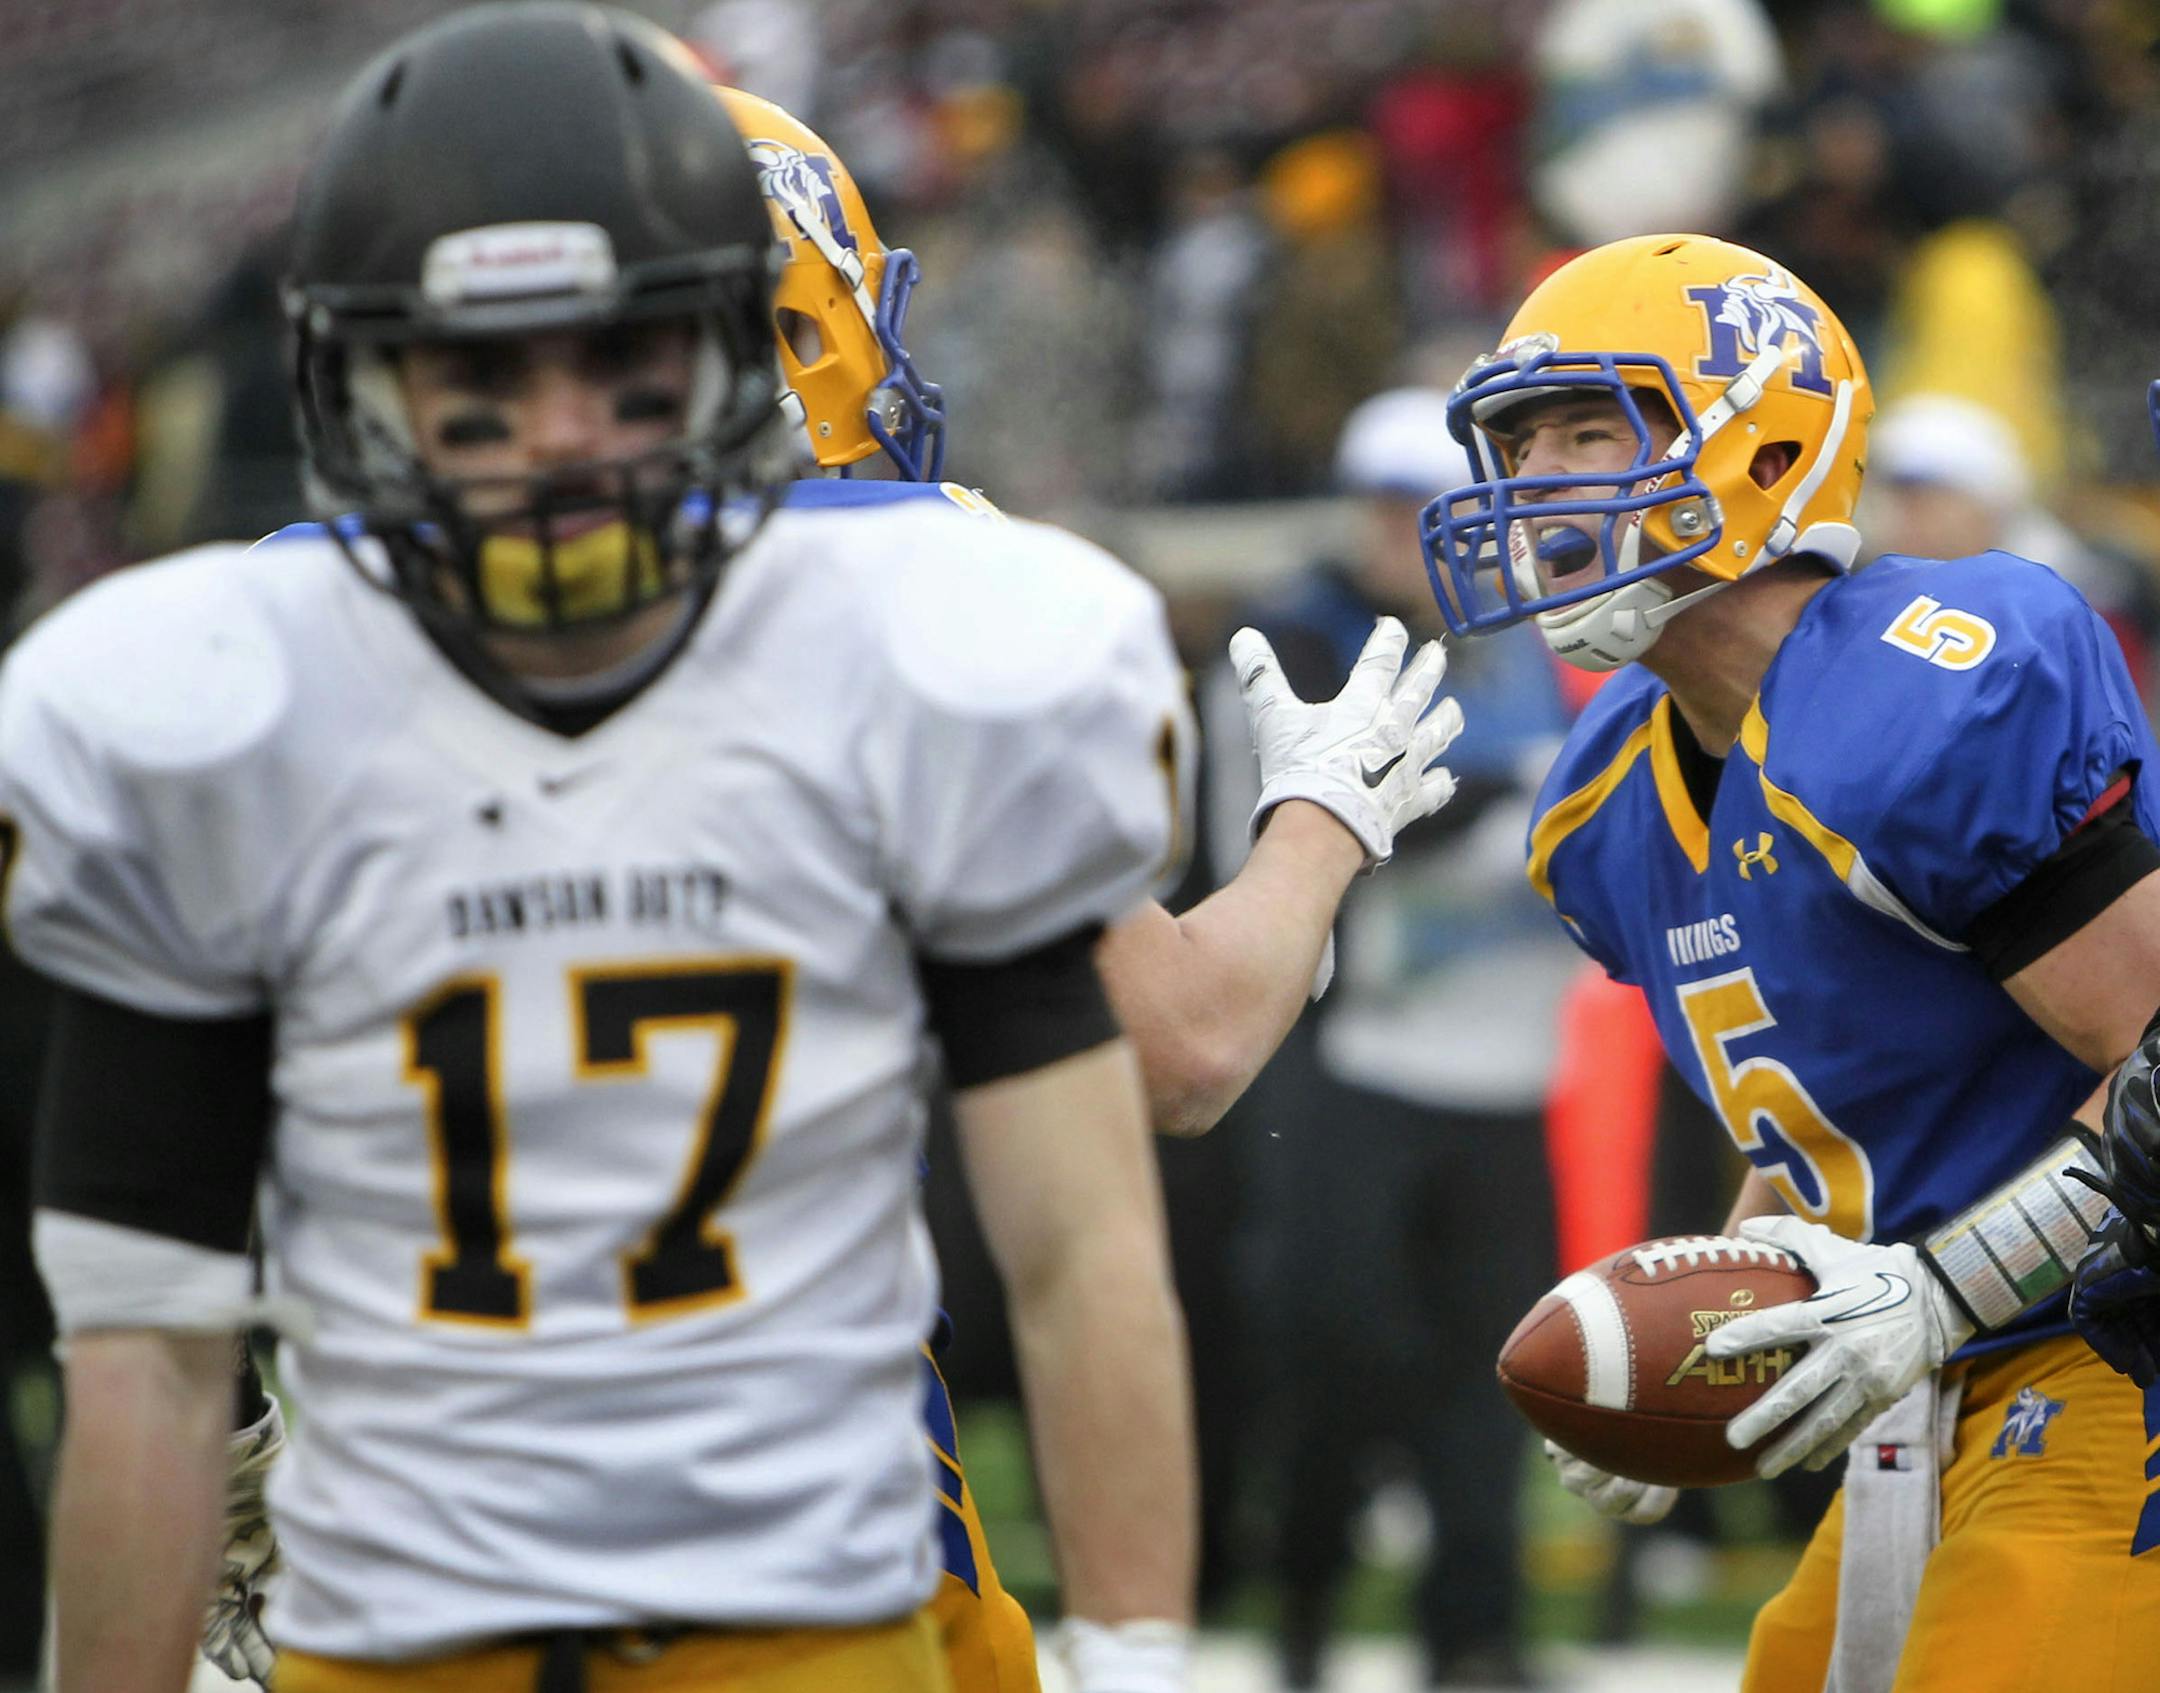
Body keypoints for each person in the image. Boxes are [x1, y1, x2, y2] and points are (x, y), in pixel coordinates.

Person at [22, 18, 1460, 1693]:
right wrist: (1321, 823)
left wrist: (223, 1457)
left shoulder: (230, 668)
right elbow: (1177, 1058)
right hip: (805, 1573)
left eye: (605, 361)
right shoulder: (902, 615)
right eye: (498, 372)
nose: (558, 425)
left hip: (428, 1588)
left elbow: (149, 1344)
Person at [1422, 232, 2160, 1692]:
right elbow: (1814, 1130)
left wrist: (1942, 1290)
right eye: (1517, 446)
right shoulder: (1600, 804)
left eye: (1587, 433)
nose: (1533, 486)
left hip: (2110, 1350)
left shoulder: (1925, 694)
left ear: (1763, 450)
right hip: (1931, 1377)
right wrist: (1700, 1339)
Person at [1202, 386, 1569, 1690]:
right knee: (1337, 1350)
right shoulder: (1304, 638)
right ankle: (1303, 1597)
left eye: (1426, 509)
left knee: (1501, 1372)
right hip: (1354, 1053)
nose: (1399, 534)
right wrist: (1508, 791)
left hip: (1508, 1062)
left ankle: (1476, 1633)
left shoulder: (1546, 636)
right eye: (1385, 506)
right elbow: (1285, 844)